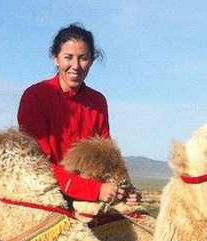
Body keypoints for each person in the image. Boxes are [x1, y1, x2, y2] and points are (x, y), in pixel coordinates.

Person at [17, 24, 139, 205]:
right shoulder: (35, 97)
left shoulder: (97, 101)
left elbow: (106, 155)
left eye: (83, 58)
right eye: (68, 57)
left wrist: (124, 188)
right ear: (55, 59)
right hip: (48, 193)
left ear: (91, 60)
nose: (76, 66)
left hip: (93, 192)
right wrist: (93, 190)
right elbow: (37, 162)